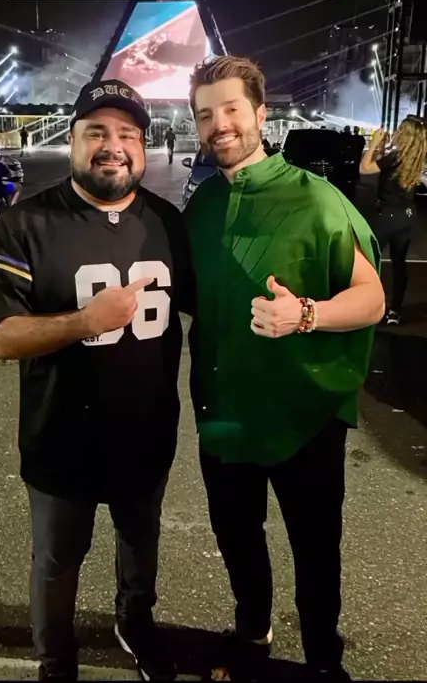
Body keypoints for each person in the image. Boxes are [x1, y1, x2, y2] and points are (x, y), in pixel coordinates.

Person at [0, 78, 193, 682]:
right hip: (59, 438)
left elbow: (211, 307)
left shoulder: (169, 223)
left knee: (140, 550)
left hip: (146, 434)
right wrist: (84, 322)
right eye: (96, 132)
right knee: (56, 561)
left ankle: (135, 626)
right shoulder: (28, 222)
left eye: (128, 134)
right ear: (72, 140)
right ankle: (56, 658)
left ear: (144, 146)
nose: (112, 146)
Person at [184, 55, 385, 682]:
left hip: (305, 413)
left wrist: (305, 314)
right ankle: (252, 632)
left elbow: (372, 298)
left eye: (231, 109)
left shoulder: (315, 197)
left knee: (315, 545)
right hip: (224, 408)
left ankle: (323, 655)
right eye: (205, 115)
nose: (219, 125)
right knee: (237, 533)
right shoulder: (201, 206)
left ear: (260, 113)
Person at [360, 117, 427, 325]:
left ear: (405, 134)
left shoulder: (396, 156)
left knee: (368, 260)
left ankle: (369, 305)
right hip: (407, 216)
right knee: (399, 263)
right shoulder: (416, 157)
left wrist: (372, 144)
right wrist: (381, 149)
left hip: (388, 216)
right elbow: (384, 168)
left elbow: (365, 169)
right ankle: (395, 311)